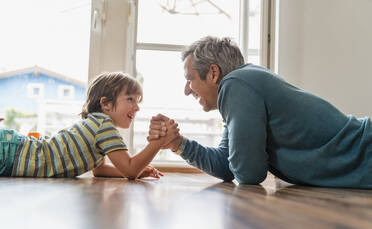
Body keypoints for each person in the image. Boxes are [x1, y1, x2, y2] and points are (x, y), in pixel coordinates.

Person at [149, 36, 372, 189]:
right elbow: (225, 167)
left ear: (213, 73)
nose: (187, 90)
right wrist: (178, 143)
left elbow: (249, 174)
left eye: (190, 79)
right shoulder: (241, 89)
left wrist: (240, 160)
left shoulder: (236, 84)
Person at [0, 72, 179, 179]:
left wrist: (139, 171)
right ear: (106, 104)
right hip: (14, 154)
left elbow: (99, 170)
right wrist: (158, 142)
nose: (137, 107)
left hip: (14, 152)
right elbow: (130, 169)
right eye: (130, 99)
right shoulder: (103, 126)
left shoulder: (96, 125)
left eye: (138, 101)